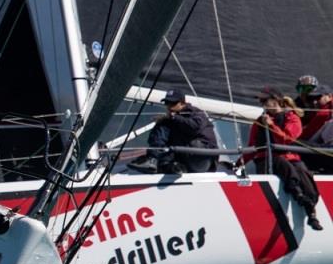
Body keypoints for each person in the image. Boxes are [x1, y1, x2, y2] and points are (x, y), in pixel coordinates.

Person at [237, 87, 323, 231]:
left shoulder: (292, 118)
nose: (262, 104)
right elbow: (252, 146)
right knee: (284, 164)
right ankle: (298, 194)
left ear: (276, 100)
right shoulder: (259, 122)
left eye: (265, 100)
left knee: (303, 172)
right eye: (261, 101)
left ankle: (311, 213)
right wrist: (238, 164)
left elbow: (287, 140)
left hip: (289, 156)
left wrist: (271, 126)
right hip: (266, 159)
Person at [127, 89, 218, 174]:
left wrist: (172, 117)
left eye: (173, 103)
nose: (169, 107)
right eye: (167, 103)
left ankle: (153, 159)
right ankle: (169, 166)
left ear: (183, 103)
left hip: (202, 157)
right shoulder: (175, 118)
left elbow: (194, 128)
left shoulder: (195, 113)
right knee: (164, 128)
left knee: (165, 123)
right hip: (188, 157)